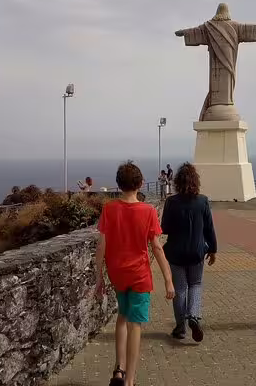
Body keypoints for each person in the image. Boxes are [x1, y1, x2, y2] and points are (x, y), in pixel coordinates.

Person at [95, 161, 175, 386]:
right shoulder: (148, 211)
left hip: (117, 273)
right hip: (139, 275)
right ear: (140, 184)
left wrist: (99, 277)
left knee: (122, 315)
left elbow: (101, 246)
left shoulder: (109, 210)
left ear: (119, 184)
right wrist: (168, 280)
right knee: (135, 325)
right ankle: (130, 380)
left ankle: (118, 370)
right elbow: (157, 247)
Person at [161, 163, 217, 342]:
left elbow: (165, 228)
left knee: (180, 288)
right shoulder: (203, 201)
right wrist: (213, 249)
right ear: (195, 181)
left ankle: (180, 327)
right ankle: (193, 315)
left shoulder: (171, 202)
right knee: (196, 284)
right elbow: (209, 228)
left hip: (175, 252)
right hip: (197, 252)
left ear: (177, 181)